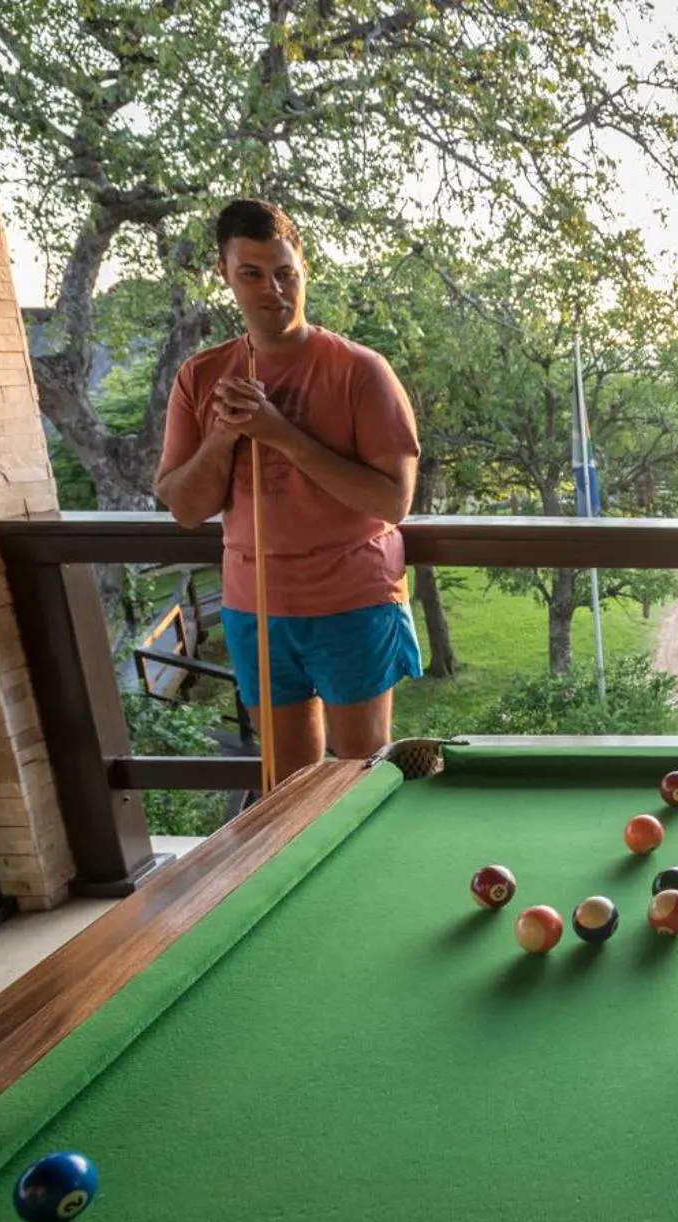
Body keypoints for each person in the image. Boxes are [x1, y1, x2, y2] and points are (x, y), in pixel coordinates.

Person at [156, 199, 423, 785]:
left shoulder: (359, 370)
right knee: (288, 783)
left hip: (352, 599)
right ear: (226, 276)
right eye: (251, 273)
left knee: (362, 773)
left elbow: (393, 502)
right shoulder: (201, 377)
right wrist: (225, 436)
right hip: (254, 605)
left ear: (304, 268)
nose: (272, 289)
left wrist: (281, 434)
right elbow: (185, 506)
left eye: (284, 272)